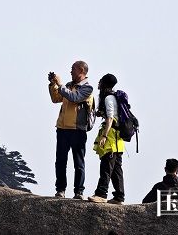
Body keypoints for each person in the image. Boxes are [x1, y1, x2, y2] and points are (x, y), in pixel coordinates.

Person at [48, 61, 94, 199]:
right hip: (62, 128)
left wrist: (60, 84)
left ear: (81, 70)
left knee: (78, 162)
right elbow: (56, 99)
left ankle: (78, 191)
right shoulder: (68, 86)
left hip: (78, 130)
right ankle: (60, 189)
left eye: (72, 69)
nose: (70, 72)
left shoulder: (87, 88)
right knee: (60, 161)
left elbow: (74, 98)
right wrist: (53, 84)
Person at [88, 73, 125, 204]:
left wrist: (104, 135)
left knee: (106, 167)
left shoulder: (109, 98)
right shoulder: (112, 97)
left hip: (111, 139)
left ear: (104, 83)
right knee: (116, 170)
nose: (98, 83)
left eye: (101, 81)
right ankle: (119, 196)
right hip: (117, 140)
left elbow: (110, 118)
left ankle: (101, 194)